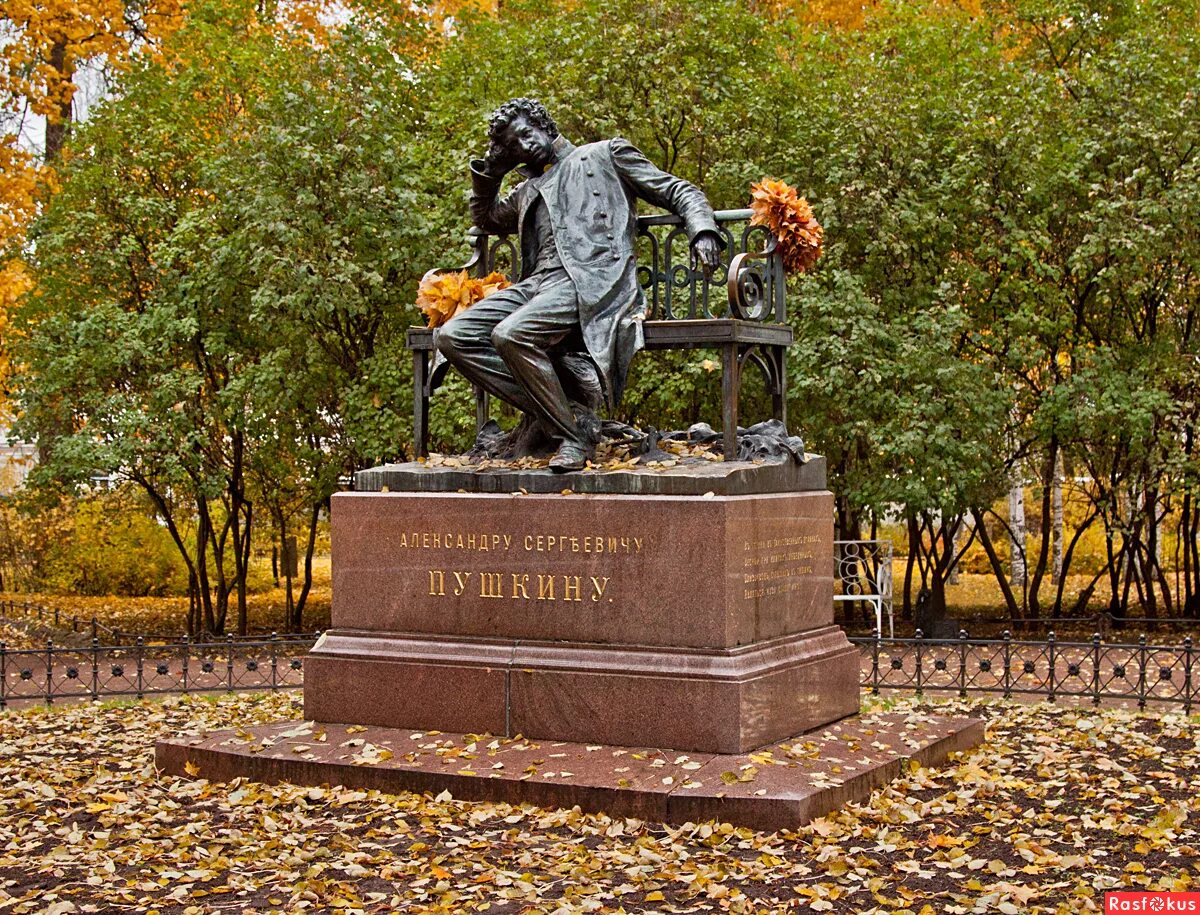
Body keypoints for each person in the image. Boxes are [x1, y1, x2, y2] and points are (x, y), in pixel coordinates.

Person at [434, 98, 723, 471]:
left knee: (511, 335)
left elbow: (677, 190)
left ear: (544, 125)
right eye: (515, 144)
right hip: (538, 285)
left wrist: (702, 229)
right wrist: (492, 169)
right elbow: (486, 217)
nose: (525, 145)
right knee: (452, 337)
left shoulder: (605, 154)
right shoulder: (529, 189)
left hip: (591, 281)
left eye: (526, 133)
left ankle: (574, 437)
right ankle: (569, 417)